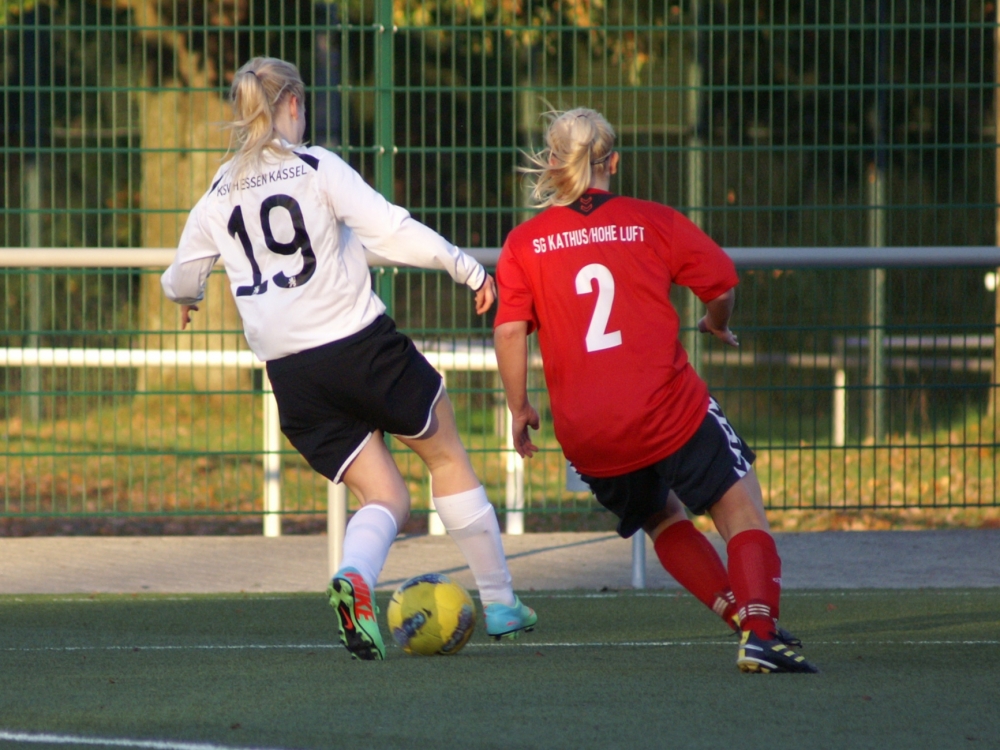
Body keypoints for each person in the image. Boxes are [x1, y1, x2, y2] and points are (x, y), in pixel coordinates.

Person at [161, 56, 536, 661]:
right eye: (300, 105)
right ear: (290, 106)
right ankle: (500, 603)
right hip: (359, 348)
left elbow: (179, 276)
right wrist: (464, 267)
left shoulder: (216, 189)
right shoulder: (316, 167)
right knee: (445, 454)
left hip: (293, 378)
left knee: (385, 496)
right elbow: (388, 228)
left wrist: (189, 297)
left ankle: (356, 577)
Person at [492, 107, 816, 674]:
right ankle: (761, 629)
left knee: (664, 519)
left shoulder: (524, 243)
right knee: (741, 509)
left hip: (588, 435)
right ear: (613, 162)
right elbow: (721, 281)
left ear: (551, 163)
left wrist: (519, 408)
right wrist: (716, 322)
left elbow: (509, 331)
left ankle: (746, 621)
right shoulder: (652, 221)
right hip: (667, 411)